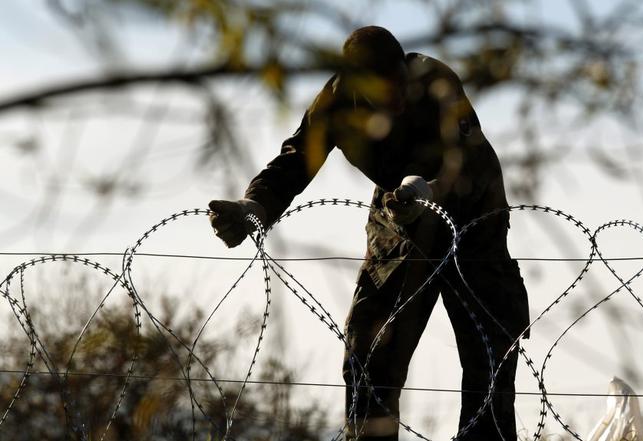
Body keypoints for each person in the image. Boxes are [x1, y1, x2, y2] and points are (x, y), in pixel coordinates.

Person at [209, 26, 529, 441]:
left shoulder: (434, 80)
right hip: (396, 206)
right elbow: (296, 159)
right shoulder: (337, 102)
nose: (394, 97)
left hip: (472, 205)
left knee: (488, 344)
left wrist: (429, 189)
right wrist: (255, 206)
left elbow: (462, 158)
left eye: (399, 85)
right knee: (371, 346)